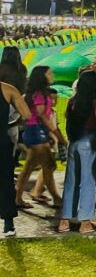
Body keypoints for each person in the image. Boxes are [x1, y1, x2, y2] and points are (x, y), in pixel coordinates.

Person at [58, 70, 96, 234]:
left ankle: (64, 221)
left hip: (74, 142)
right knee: (87, 181)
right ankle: (85, 222)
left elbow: (68, 121)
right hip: (90, 143)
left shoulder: (72, 102)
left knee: (71, 181)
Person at [14, 66, 66, 210]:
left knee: (36, 166)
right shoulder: (39, 94)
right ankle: (55, 198)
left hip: (35, 131)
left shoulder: (36, 93)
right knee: (44, 165)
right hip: (36, 131)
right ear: (42, 76)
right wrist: (56, 134)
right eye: (49, 73)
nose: (52, 75)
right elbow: (42, 114)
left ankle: (20, 197)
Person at [1, 74, 31, 237]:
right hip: (3, 140)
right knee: (6, 180)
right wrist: (10, 123)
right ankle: (8, 223)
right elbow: (26, 114)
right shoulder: (8, 89)